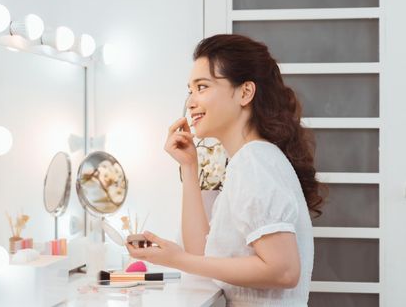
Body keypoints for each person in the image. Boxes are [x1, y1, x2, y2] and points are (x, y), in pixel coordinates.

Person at [127, 34, 325, 306]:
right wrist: (189, 167)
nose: (191, 102)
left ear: (245, 93)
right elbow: (203, 254)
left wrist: (178, 259)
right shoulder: (249, 160)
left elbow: (284, 270)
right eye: (190, 90)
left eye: (202, 87)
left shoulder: (254, 162)